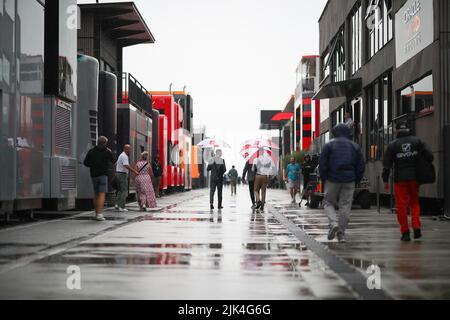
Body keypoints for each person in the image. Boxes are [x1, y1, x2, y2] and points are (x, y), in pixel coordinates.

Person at [382, 121, 434, 242]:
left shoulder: (393, 145)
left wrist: (385, 180)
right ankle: (416, 227)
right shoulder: (417, 141)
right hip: (415, 178)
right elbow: (430, 156)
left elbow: (387, 165)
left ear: (396, 131)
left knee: (401, 206)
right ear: (408, 130)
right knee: (415, 203)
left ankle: (405, 232)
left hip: (400, 179)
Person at [319, 124, 365, 243]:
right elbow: (361, 165)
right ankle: (341, 234)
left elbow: (322, 164)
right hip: (349, 180)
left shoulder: (329, 145)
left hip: (332, 179)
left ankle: (333, 223)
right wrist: (357, 179)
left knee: (328, 202)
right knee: (345, 206)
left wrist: (324, 179)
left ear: (335, 133)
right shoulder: (354, 146)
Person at [83, 136, 117, 221]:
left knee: (96, 194)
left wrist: (93, 165)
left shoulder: (91, 151)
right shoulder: (107, 151)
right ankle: (100, 214)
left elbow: (85, 163)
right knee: (102, 194)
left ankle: (96, 213)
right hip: (103, 175)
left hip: (94, 175)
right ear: (105, 143)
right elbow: (114, 161)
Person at [115, 144, 139, 212]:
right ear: (125, 149)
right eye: (128, 149)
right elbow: (126, 165)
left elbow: (116, 164)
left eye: (130, 149)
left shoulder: (121, 155)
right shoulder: (124, 156)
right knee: (124, 191)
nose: (129, 150)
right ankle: (121, 206)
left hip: (118, 173)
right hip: (122, 174)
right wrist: (134, 171)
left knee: (120, 190)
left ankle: (117, 204)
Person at [253, 148, 276, 212]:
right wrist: (270, 175)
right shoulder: (268, 159)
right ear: (263, 152)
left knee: (255, 190)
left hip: (258, 176)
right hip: (265, 176)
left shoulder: (256, 159)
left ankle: (258, 200)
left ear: (259, 152)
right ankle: (262, 205)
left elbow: (253, 169)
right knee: (263, 191)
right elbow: (272, 167)